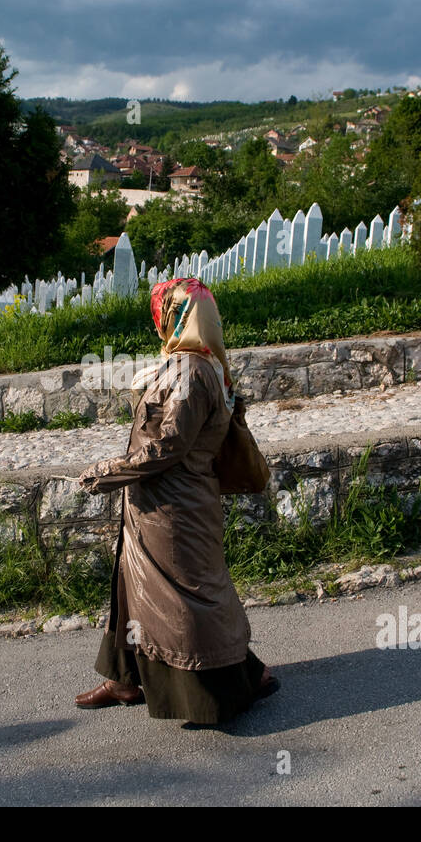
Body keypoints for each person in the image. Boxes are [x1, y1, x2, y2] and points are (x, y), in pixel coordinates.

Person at [74, 277, 278, 724]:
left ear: (177, 317)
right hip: (155, 507)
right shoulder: (193, 365)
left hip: (174, 510)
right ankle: (124, 679)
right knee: (132, 587)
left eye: (165, 312)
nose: (159, 320)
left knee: (188, 599)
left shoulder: (190, 372)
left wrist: (106, 472)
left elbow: (169, 446)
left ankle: (227, 687)